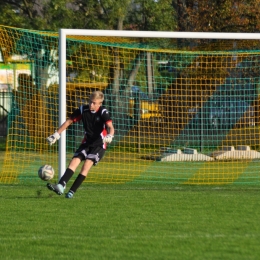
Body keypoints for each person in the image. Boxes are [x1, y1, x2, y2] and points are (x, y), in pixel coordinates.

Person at [46, 90, 114, 198]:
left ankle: (72, 191)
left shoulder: (103, 112)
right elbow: (69, 121)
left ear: (100, 103)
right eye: (90, 101)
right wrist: (56, 134)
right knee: (74, 162)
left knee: (86, 165)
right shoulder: (83, 110)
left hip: (99, 145)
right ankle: (61, 185)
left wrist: (110, 135)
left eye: (94, 103)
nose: (91, 104)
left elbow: (111, 127)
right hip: (86, 143)